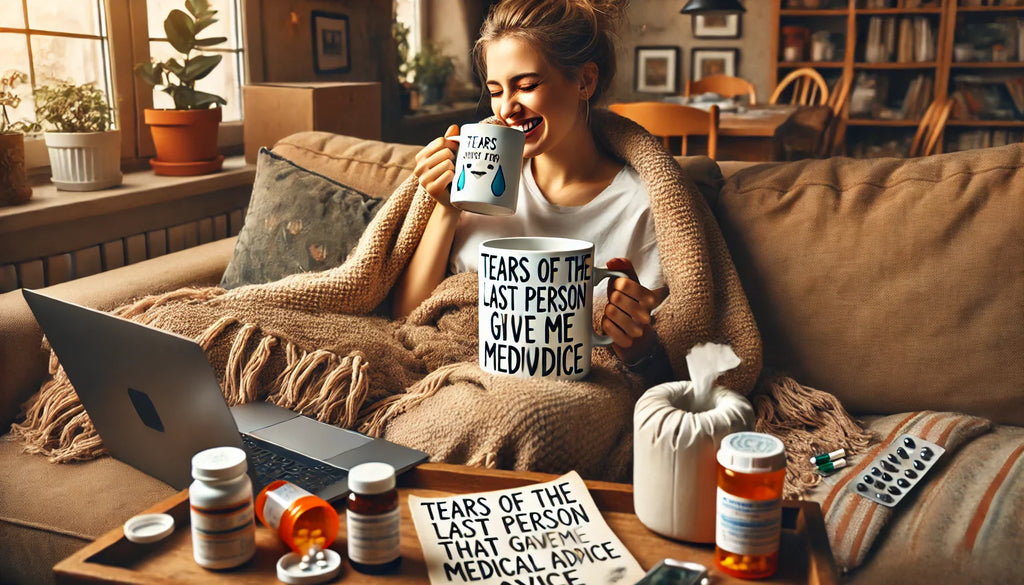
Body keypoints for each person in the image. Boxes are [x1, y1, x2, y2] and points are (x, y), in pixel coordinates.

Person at [392, 0, 667, 370]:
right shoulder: (482, 179)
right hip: (445, 375)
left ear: (585, 80)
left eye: (526, 85)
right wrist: (445, 206)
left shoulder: (641, 206)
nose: (506, 108)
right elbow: (408, 320)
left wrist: (637, 344)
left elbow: (661, 358)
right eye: (495, 90)